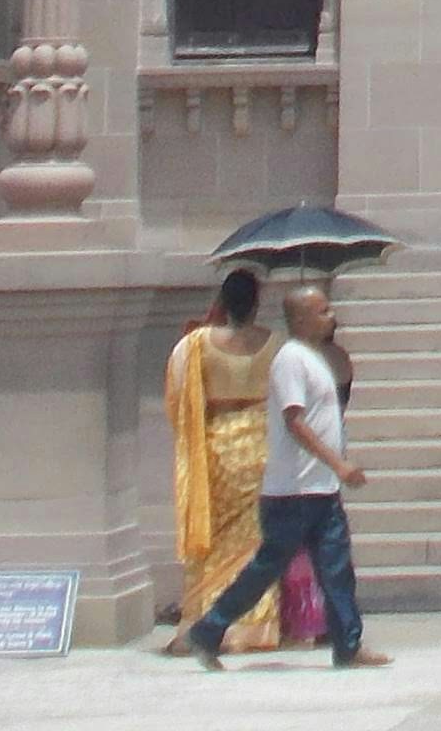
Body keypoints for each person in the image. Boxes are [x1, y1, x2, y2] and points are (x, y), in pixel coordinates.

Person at [180, 277, 386, 671]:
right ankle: (209, 629)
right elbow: (295, 421)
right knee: (266, 569)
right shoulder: (291, 359)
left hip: (318, 490)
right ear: (303, 318)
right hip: (293, 492)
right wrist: (338, 463)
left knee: (336, 567)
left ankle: (348, 644)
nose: (332, 315)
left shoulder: (317, 359)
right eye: (323, 310)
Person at [164, 268, 288, 654]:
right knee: (255, 541)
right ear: (256, 304)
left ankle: (205, 618)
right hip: (262, 444)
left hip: (217, 445)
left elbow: (176, 391)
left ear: (222, 302)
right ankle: (253, 627)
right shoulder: (277, 344)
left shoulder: (197, 343)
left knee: (215, 538)